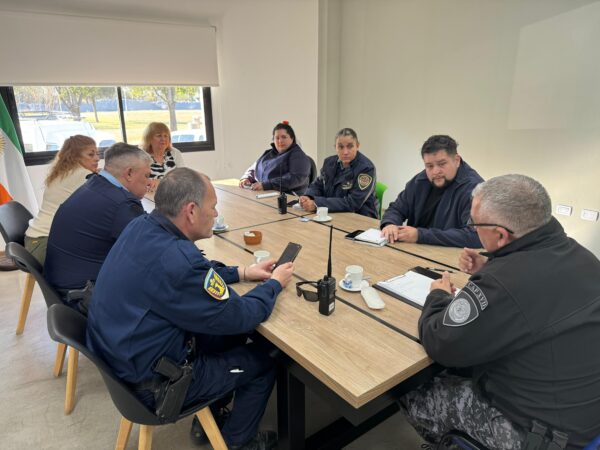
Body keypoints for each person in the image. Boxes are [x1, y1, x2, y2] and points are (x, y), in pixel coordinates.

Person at [87, 168, 294, 450]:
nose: (216, 214)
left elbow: (197, 272)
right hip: (157, 387)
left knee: (224, 337)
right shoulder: (177, 261)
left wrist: (243, 272)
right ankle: (237, 442)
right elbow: (241, 316)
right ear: (192, 211)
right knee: (265, 358)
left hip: (125, 360)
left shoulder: (142, 226)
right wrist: (274, 285)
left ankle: (209, 418)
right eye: (213, 207)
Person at [400, 174, 600, 449]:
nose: (472, 229)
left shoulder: (502, 282)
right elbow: (534, 294)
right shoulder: (583, 257)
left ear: (500, 234)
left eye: (474, 224)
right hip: (585, 419)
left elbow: (441, 342)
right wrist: (492, 265)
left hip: (540, 436)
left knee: (413, 389)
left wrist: (438, 295)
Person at [44, 143, 151, 311]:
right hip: (84, 297)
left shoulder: (95, 183)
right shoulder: (121, 203)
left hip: (64, 285)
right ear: (129, 173)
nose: (149, 182)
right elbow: (151, 249)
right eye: (147, 175)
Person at [380, 135, 483, 247]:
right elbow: (397, 208)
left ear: (457, 160)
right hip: (414, 248)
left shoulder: (475, 189)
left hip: (450, 254)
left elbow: (475, 236)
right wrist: (390, 224)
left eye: (442, 164)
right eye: (429, 166)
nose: (435, 171)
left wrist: (420, 235)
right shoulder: (420, 180)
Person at [24, 135, 99, 265]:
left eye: (97, 154)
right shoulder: (83, 174)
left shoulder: (63, 172)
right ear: (75, 157)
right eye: (90, 155)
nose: (97, 158)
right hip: (45, 246)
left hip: (35, 242)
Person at [299, 128, 378, 218]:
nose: (345, 152)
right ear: (335, 147)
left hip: (360, 216)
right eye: (340, 147)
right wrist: (308, 196)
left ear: (357, 146)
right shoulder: (329, 162)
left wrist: (317, 203)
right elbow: (318, 185)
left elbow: (353, 203)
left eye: (350, 146)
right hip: (332, 212)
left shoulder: (366, 168)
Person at [239, 121, 311, 194]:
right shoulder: (268, 153)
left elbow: (295, 178)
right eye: (277, 138)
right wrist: (246, 178)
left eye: (284, 137)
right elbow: (254, 168)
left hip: (284, 196)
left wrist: (265, 185)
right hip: (260, 193)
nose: (280, 141)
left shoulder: (299, 156)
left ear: (292, 138)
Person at [140, 121, 185, 188]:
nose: (163, 139)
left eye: (166, 136)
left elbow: (183, 176)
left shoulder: (175, 152)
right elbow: (139, 180)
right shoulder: (141, 155)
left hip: (173, 191)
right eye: (159, 136)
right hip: (149, 192)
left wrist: (160, 182)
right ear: (149, 138)